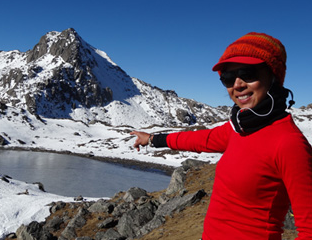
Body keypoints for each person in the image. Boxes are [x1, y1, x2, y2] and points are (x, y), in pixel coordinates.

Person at [130, 32, 312, 239]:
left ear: (273, 76)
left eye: (248, 73)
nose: (237, 84)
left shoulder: (289, 143)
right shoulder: (238, 128)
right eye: (227, 78)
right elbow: (200, 140)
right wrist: (153, 139)